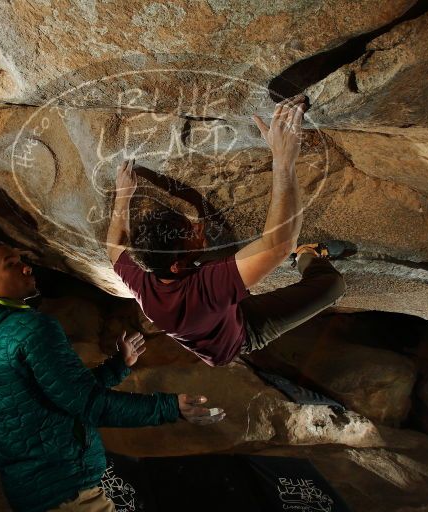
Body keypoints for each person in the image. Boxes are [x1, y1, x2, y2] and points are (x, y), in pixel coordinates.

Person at [0, 242, 224, 512]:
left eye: (22, 259)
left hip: (35, 490)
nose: (26, 266)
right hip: (66, 491)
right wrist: (170, 406)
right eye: (11, 264)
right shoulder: (31, 328)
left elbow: (64, 394)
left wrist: (118, 365)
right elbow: (89, 404)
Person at [106, 95, 346, 367]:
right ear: (175, 265)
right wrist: (283, 158)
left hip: (218, 315)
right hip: (246, 331)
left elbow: (114, 247)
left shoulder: (145, 283)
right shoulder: (205, 289)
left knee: (232, 273)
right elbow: (278, 245)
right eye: (191, 233)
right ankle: (307, 255)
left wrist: (123, 195)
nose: (199, 226)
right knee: (333, 286)